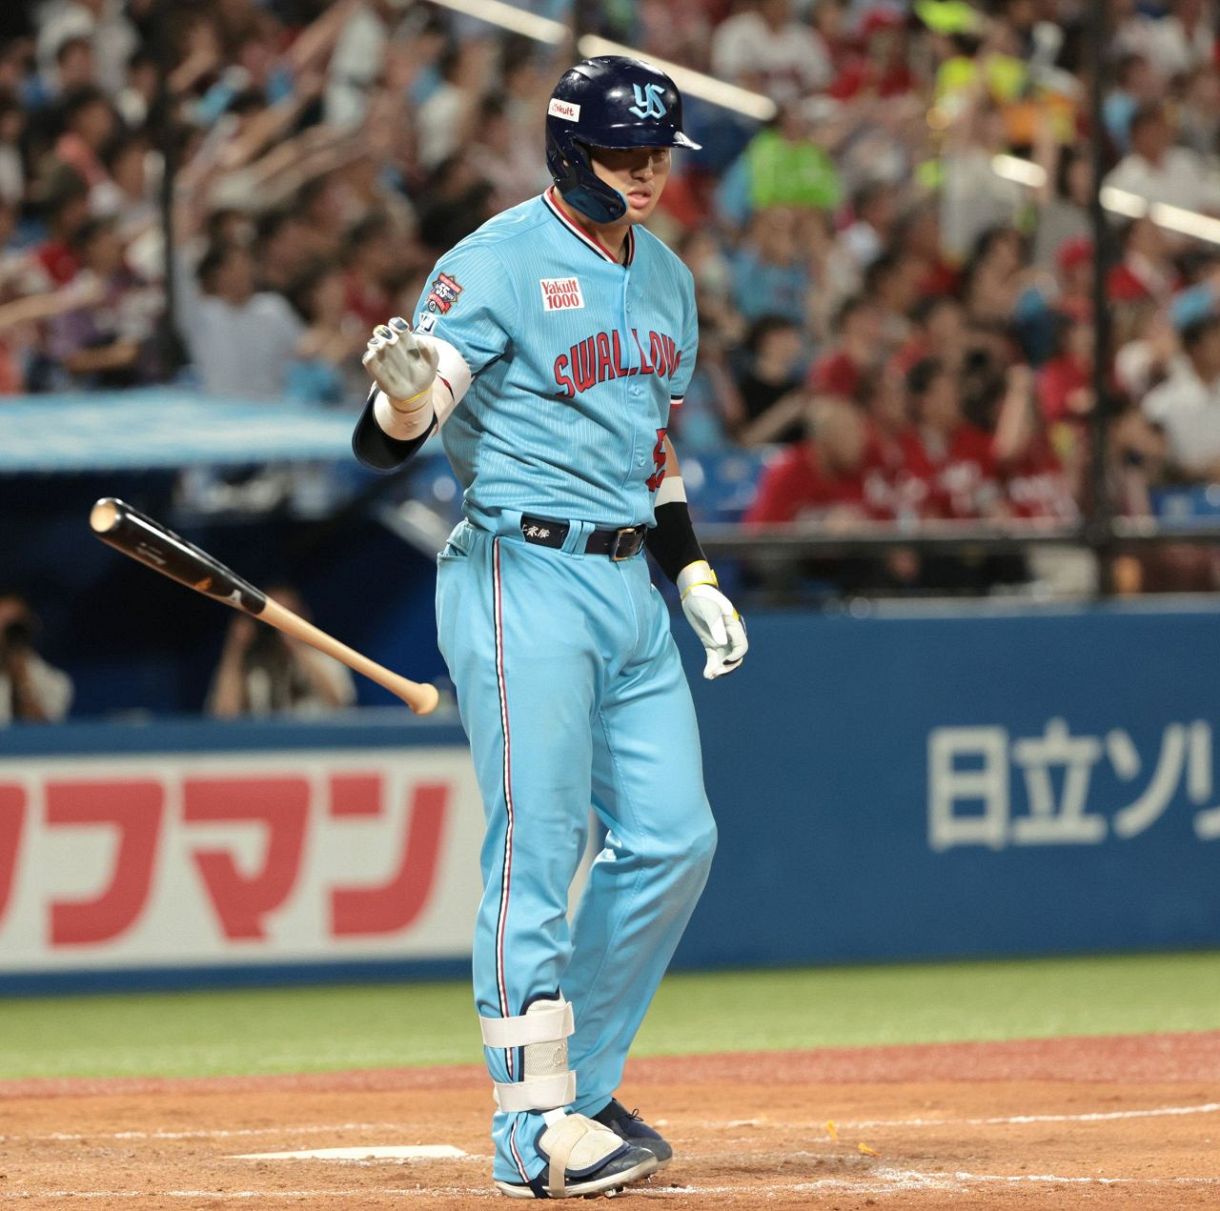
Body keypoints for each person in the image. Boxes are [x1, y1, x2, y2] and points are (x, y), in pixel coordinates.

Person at [351, 56, 747, 1200]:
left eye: (657, 154)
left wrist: (692, 572)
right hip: (518, 570)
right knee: (535, 846)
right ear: (571, 150)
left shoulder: (665, 279)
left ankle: (581, 1085)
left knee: (674, 837)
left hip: (629, 584)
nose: (646, 174)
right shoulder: (492, 262)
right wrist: (404, 398)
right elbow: (394, 433)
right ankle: (528, 1129)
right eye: (625, 154)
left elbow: (651, 449)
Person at [207, 586, 356, 718]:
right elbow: (223, 715)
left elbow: (341, 705)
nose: (278, 626)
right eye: (270, 619)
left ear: (303, 616)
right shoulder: (247, 667)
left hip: (314, 739)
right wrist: (236, 648)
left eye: (286, 615)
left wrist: (297, 643)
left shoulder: (325, 660)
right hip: (265, 740)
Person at [0, 592, 73, 724]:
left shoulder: (54, 681)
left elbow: (39, 731)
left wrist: (20, 678)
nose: (5, 634)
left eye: (13, 628)